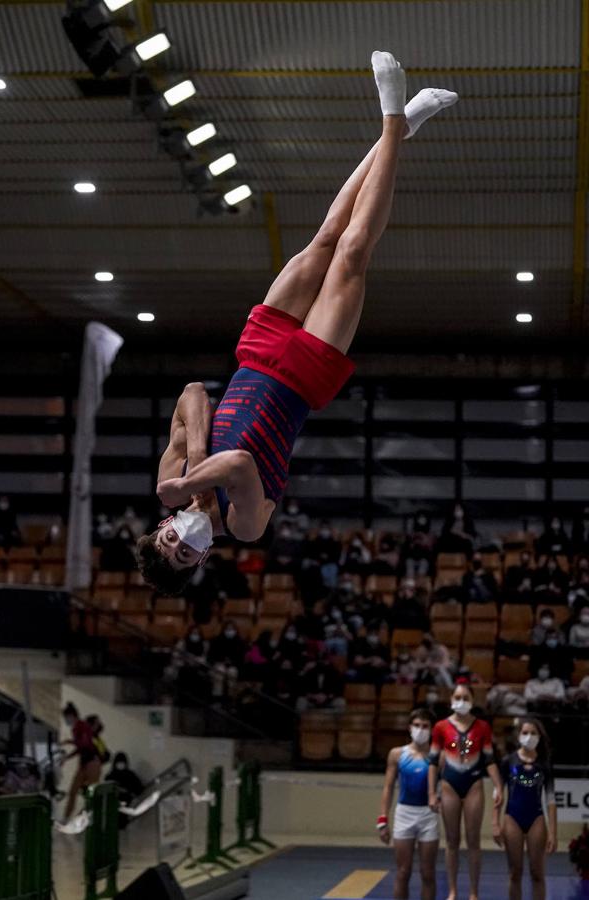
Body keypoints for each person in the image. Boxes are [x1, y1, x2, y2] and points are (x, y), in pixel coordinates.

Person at [135, 53, 458, 594]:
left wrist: (187, 464)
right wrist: (193, 480)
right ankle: (391, 115)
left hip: (257, 353)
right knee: (354, 251)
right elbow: (238, 462)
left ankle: (403, 125)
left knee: (328, 234)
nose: (181, 541)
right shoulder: (245, 526)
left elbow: (193, 394)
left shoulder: (170, 479)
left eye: (169, 540)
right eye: (185, 554)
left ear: (162, 527)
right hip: (303, 375)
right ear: (201, 561)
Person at [428, 681, 502, 900]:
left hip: (473, 784)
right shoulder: (440, 727)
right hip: (449, 784)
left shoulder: (482, 727)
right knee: (451, 841)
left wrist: (499, 785)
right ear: (451, 701)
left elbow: (489, 759)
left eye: (465, 698)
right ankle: (452, 891)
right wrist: (432, 792)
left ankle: (473, 892)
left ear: (472, 701)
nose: (461, 702)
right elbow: (433, 761)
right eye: (457, 698)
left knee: (473, 841)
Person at [493, 718, 557, 900]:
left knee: (537, 873)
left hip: (536, 818)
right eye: (525, 733)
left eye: (533, 733)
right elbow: (497, 794)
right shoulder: (508, 761)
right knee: (515, 872)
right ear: (519, 735)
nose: (529, 737)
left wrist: (552, 832)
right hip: (512, 817)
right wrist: (495, 822)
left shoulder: (544, 764)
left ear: (539, 737)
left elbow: (551, 799)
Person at [378, 709, 438, 900]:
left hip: (428, 815)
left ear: (432, 729)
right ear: (409, 728)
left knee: (428, 873)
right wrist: (382, 819)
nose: (421, 730)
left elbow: (464, 750)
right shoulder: (396, 754)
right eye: (417, 726)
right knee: (403, 872)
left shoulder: (439, 755)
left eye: (425, 726)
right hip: (404, 813)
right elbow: (388, 788)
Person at [61, 703, 102, 821]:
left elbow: (85, 744)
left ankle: (90, 818)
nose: (66, 720)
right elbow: (80, 748)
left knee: (91, 793)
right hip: (84, 763)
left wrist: (69, 742)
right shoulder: (75, 729)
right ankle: (66, 818)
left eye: (67, 718)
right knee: (73, 791)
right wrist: (67, 758)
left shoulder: (82, 726)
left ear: (73, 716)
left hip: (92, 762)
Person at [106, 752, 144, 829]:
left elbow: (139, 788)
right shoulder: (110, 776)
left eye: (122, 763)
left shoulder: (130, 775)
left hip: (125, 802)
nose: (120, 765)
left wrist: (128, 792)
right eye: (119, 763)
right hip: (114, 803)